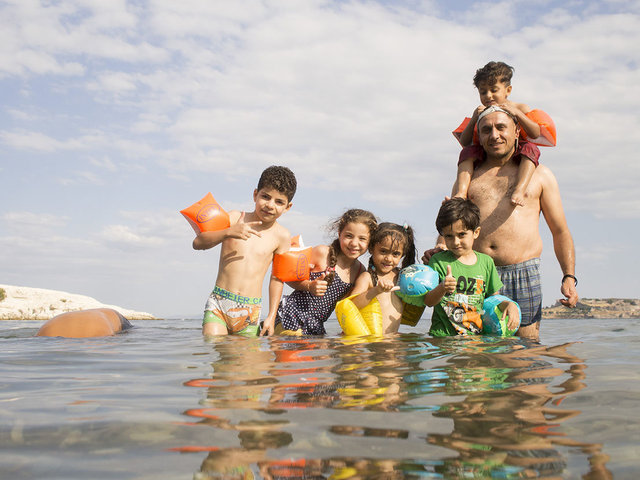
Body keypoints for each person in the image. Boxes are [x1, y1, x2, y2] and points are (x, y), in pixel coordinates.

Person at [425, 106, 578, 339]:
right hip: (473, 274)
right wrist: (441, 248)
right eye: (486, 130)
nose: (494, 135)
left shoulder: (540, 175)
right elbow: (453, 220)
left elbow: (560, 231)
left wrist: (569, 276)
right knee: (475, 353)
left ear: (517, 131)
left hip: (522, 272)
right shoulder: (469, 177)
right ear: (479, 136)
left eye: (501, 127)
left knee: (525, 352)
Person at [192, 165, 296, 336]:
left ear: (288, 207)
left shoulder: (282, 236)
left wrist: (271, 316)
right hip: (219, 302)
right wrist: (228, 232)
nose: (270, 205)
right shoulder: (234, 218)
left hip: (250, 310)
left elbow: (277, 278)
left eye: (279, 202)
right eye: (265, 197)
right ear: (255, 194)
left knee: (245, 360)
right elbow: (198, 243)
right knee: (216, 349)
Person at [452, 61, 550, 207]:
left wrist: (517, 114)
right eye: (483, 92)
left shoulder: (519, 107)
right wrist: (473, 119)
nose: (488, 96)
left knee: (530, 149)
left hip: (516, 151)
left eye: (494, 90)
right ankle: (461, 192)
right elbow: (465, 142)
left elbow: (535, 133)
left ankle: (519, 189)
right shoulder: (481, 112)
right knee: (467, 152)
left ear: (508, 90)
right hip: (487, 151)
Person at [267, 209, 378, 336]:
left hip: (316, 325)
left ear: (370, 242)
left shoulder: (360, 271)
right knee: (294, 344)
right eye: (348, 236)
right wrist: (309, 286)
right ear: (339, 233)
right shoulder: (322, 253)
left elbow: (347, 307)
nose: (354, 243)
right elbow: (287, 277)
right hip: (292, 314)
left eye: (362, 239)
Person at [424, 198, 520, 337]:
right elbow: (429, 302)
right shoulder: (438, 261)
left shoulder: (486, 262)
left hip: (475, 339)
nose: (456, 242)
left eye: (462, 234)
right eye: (449, 236)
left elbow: (493, 300)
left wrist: (509, 304)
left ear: (476, 232)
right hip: (442, 339)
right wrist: (442, 287)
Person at [350, 223, 417, 334]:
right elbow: (351, 305)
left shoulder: (401, 276)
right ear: (371, 249)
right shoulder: (367, 278)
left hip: (393, 341)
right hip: (371, 343)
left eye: (395, 254)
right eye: (383, 251)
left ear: (402, 255)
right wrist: (376, 290)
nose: (388, 259)